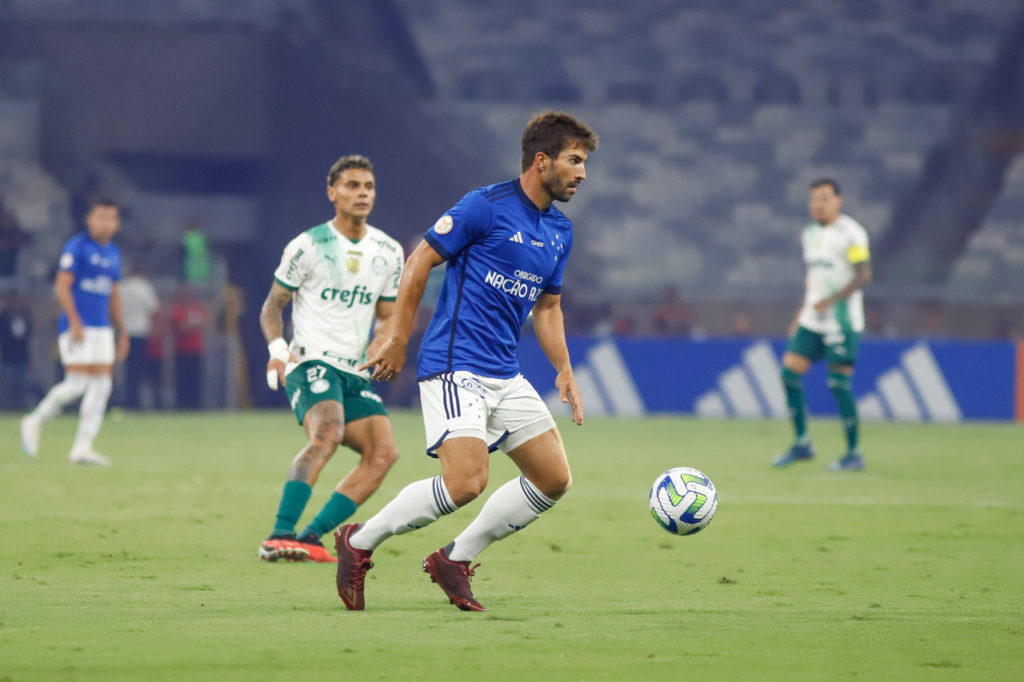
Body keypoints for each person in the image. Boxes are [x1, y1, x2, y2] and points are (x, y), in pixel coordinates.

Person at [334, 111, 598, 612]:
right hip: (456, 363)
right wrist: (396, 336)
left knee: (554, 479)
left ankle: (455, 559)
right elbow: (419, 262)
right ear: (541, 161)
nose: (582, 172)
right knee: (466, 482)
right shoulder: (485, 205)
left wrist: (563, 367)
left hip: (504, 371)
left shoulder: (560, 230)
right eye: (574, 160)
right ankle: (359, 542)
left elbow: (547, 307)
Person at [257, 154, 404, 563]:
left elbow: (388, 316)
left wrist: (381, 345)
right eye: (352, 186)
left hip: (353, 370)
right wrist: (277, 350)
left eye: (368, 187)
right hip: (310, 361)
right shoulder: (307, 246)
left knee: (384, 453)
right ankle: (278, 533)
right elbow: (272, 306)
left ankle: (309, 536)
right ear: (332, 192)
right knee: (328, 434)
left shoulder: (388, 251)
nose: (362, 194)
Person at [20, 197, 129, 465]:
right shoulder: (78, 247)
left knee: (102, 385)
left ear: (117, 223)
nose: (105, 223)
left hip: (102, 327)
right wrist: (75, 321)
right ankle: (34, 419)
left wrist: (122, 331)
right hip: (78, 326)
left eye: (111, 218)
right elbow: (62, 286)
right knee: (77, 383)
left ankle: (81, 448)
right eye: (100, 217)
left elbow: (114, 294)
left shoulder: (113, 253)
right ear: (90, 219)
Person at [772, 178, 872, 471]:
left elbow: (864, 274)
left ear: (838, 201)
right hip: (812, 318)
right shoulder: (810, 233)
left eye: (825, 198)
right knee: (789, 373)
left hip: (841, 319)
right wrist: (800, 314)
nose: (818, 204)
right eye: (814, 199)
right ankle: (802, 443)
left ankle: (854, 452)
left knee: (838, 383)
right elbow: (812, 279)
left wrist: (832, 299)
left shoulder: (851, 234)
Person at [118, 263, 160, 409]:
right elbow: (153, 310)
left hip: (124, 334)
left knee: (128, 370)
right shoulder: (144, 287)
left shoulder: (122, 287)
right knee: (139, 369)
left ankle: (129, 401)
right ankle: (137, 403)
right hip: (141, 333)